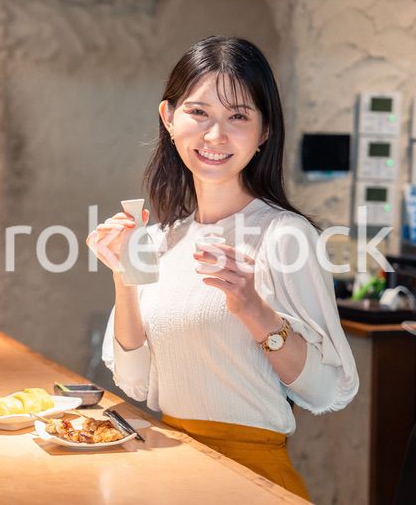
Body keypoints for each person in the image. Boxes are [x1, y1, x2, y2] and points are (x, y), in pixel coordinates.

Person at [86, 36, 358, 499]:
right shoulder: (159, 239)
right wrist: (123, 274)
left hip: (251, 476)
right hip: (170, 469)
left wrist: (253, 309)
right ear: (168, 118)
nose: (215, 136)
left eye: (238, 116)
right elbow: (136, 382)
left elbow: (330, 391)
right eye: (198, 112)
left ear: (264, 131)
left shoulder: (285, 236)